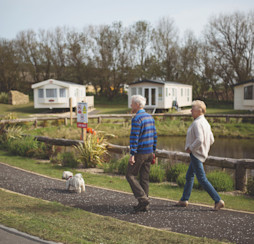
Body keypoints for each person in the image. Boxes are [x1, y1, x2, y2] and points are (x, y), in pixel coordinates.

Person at [176, 100, 225, 211]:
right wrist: (204, 148)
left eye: (192, 109)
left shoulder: (197, 123)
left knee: (202, 179)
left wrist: (191, 148)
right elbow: (211, 140)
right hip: (200, 153)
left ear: (199, 111)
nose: (191, 111)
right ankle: (184, 200)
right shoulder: (205, 122)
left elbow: (200, 139)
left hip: (196, 154)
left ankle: (218, 200)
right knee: (189, 176)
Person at [126, 95, 157, 212]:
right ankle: (144, 205)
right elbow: (155, 136)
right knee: (144, 179)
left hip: (140, 153)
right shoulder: (150, 117)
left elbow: (134, 138)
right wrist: (153, 152)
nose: (131, 106)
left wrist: (132, 154)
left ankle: (143, 199)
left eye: (132, 104)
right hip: (149, 153)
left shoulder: (137, 118)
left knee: (130, 175)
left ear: (137, 105)